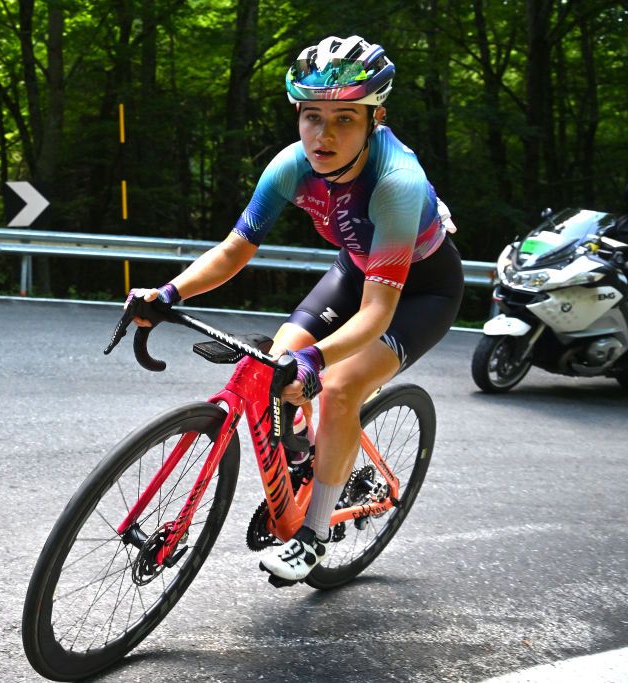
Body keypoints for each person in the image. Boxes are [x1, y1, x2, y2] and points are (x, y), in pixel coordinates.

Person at [126, 35, 464, 582]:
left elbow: (378, 312)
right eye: (312, 117)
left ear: (376, 118)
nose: (324, 135)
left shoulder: (397, 183)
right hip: (356, 271)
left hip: (419, 294)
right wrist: (169, 293)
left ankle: (315, 531)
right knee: (274, 363)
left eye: (345, 120)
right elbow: (236, 249)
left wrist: (317, 364)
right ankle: (307, 448)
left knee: (337, 386)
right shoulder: (290, 166)